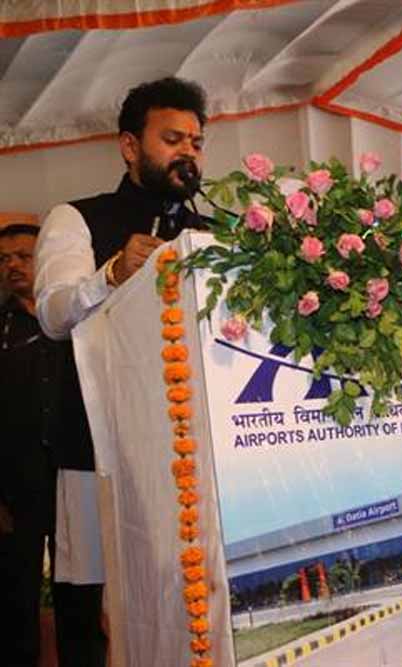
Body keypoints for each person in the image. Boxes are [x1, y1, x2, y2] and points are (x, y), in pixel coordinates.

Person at [34, 77, 209, 666]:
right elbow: (53, 314)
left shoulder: (212, 236)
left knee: (186, 597)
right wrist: (108, 275)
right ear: (130, 146)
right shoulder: (77, 218)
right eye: (172, 139)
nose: (187, 152)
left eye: (196, 142)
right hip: (98, 450)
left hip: (191, 452)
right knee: (93, 610)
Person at [0, 224, 60, 667]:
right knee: (14, 605)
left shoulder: (76, 318)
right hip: (14, 491)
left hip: (74, 480)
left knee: (80, 600)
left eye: (23, 256)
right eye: (4, 260)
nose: (12, 266)